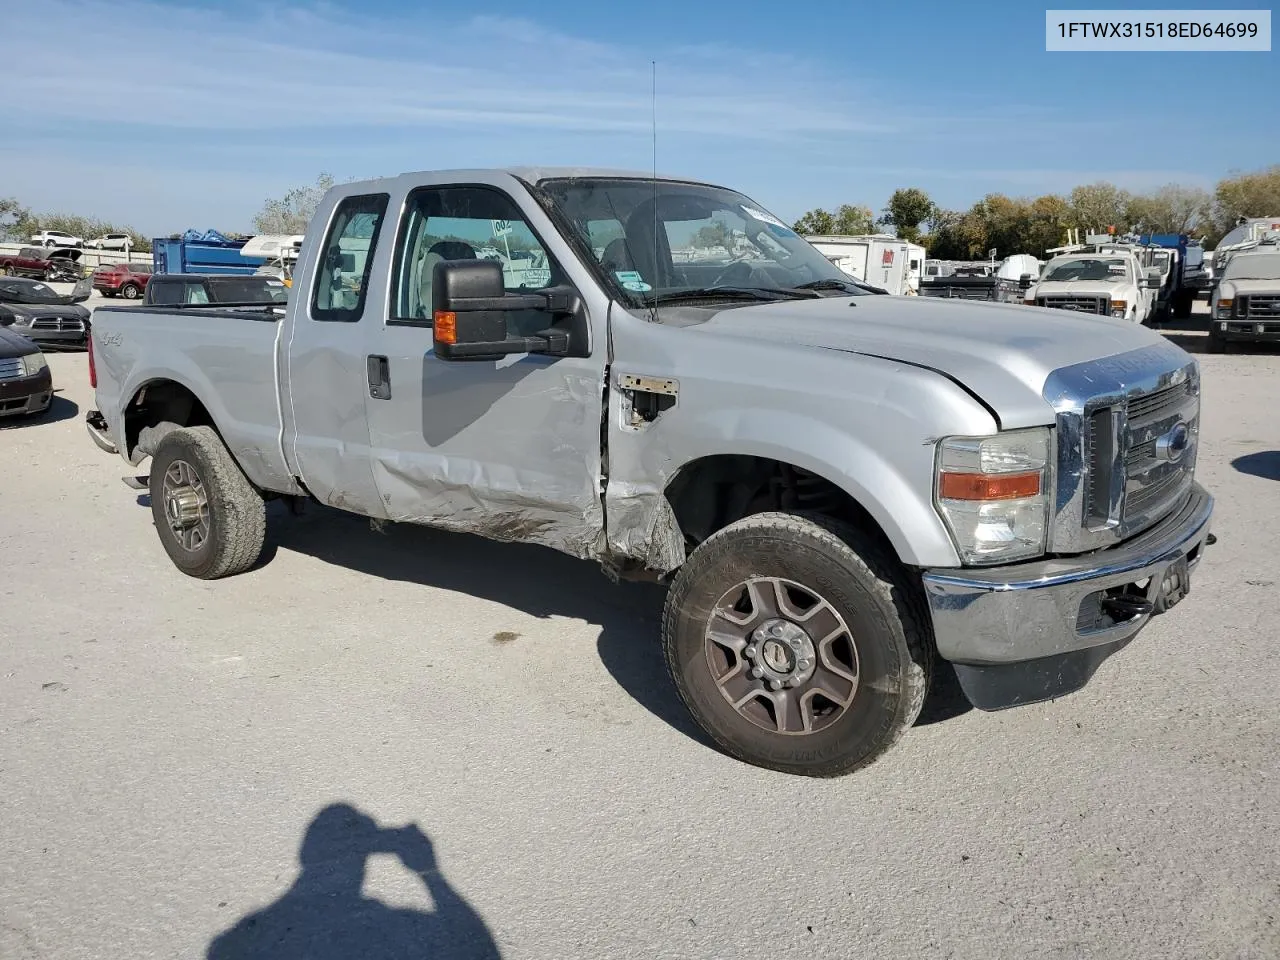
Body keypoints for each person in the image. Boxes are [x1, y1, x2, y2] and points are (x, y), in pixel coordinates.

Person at [208, 804, 500, 959]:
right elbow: (479, 950)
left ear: (306, 854)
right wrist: (431, 874)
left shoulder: (233, 945)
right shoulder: (398, 926)